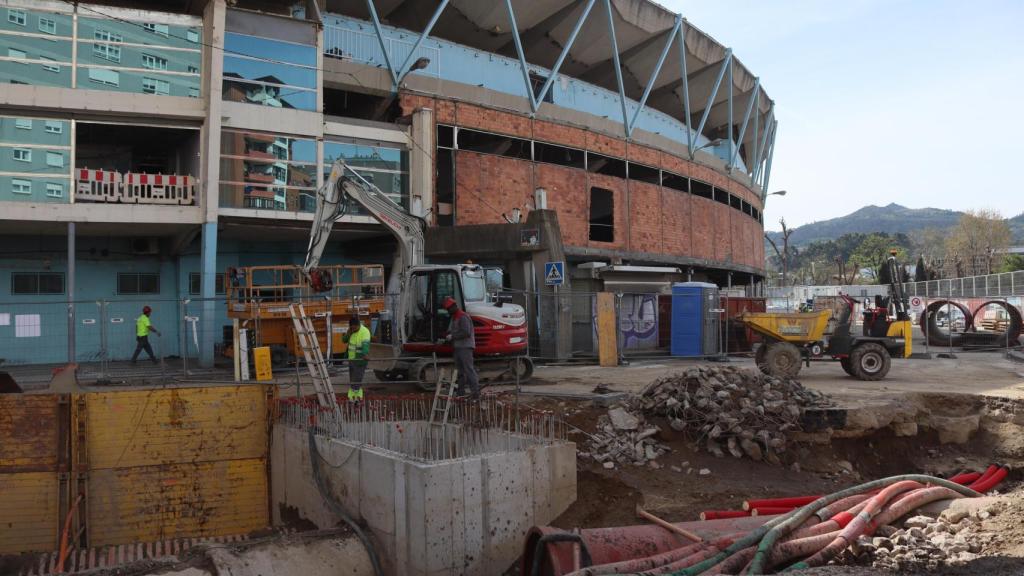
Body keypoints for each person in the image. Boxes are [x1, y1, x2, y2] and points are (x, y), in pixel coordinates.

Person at [443, 296, 479, 400]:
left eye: (449, 309)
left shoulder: (463, 317)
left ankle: (475, 394)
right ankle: (461, 392)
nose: (448, 311)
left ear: (454, 306)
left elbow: (466, 332)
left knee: (469, 370)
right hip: (458, 347)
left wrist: (452, 336)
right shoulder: (455, 317)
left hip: (465, 347)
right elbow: (454, 331)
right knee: (460, 372)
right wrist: (448, 336)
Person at [342, 316, 371, 403]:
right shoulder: (351, 330)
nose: (353, 329)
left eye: (355, 328)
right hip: (351, 360)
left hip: (360, 360)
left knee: (357, 379)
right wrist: (348, 333)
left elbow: (365, 344)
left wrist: (365, 354)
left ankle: (356, 399)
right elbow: (344, 340)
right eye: (352, 327)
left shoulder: (364, 332)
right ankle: (354, 397)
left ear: (358, 325)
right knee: (353, 380)